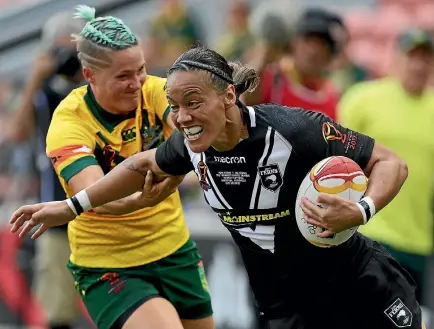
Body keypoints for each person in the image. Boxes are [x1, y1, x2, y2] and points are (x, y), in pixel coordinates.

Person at [9, 45, 427, 329]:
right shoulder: (190, 147)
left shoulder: (294, 130)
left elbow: (390, 162)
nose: (182, 116)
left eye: (193, 102)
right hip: (287, 309)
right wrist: (71, 207)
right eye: (174, 106)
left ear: (228, 95)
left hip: (360, 285)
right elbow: (140, 163)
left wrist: (361, 210)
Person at [13, 6, 215, 329]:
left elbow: (190, 134)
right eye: (123, 76)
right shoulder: (68, 121)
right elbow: (96, 194)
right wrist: (142, 197)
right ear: (89, 75)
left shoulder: (155, 90)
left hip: (174, 247)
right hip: (109, 262)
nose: (137, 83)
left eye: (141, 70)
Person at [338, 28, 434, 308]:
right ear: (397, 58)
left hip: (419, 240)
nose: (418, 64)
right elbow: (336, 160)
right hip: (369, 230)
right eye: (412, 56)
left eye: (425, 58)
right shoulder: (363, 99)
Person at [6, 11, 86, 329]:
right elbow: (18, 132)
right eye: (60, 52)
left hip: (100, 211)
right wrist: (35, 79)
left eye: (73, 52)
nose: (67, 60)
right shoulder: (44, 94)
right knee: (57, 311)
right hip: (56, 216)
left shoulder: (97, 89)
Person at [244, 8, 344, 120]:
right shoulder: (274, 78)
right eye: (307, 40)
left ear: (330, 54)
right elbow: (246, 102)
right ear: (294, 43)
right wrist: (263, 58)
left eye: (322, 43)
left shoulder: (332, 96)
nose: (313, 51)